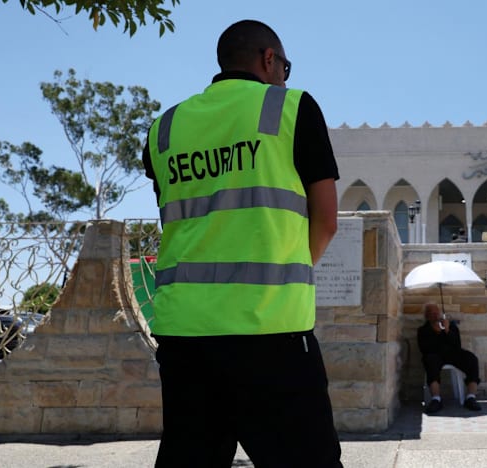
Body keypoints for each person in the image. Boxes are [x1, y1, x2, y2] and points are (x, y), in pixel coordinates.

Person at [142, 20, 342, 467]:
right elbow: (326, 220)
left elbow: (182, 219)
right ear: (268, 58)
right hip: (271, 335)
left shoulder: (164, 128)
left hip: (184, 336)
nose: (284, 76)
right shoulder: (292, 108)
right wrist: (286, 273)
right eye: (284, 66)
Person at [417, 302, 482, 413]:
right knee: (430, 361)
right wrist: (436, 333)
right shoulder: (423, 330)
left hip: (453, 354)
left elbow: (457, 345)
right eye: (431, 313)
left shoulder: (450, 326)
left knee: (471, 359)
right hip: (435, 356)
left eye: (436, 312)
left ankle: (471, 397)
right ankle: (436, 399)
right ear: (427, 316)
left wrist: (447, 331)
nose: (435, 315)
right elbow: (424, 349)